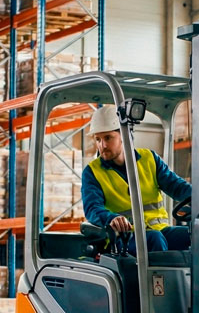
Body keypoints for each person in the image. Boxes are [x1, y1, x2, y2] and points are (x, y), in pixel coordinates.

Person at [81, 105, 192, 253]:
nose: (103, 145)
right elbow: (92, 208)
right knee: (154, 239)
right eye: (98, 139)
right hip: (123, 238)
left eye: (108, 137)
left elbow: (177, 187)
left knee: (195, 235)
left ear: (124, 135)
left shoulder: (149, 159)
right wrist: (111, 218)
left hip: (159, 230)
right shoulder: (92, 172)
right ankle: (157, 277)